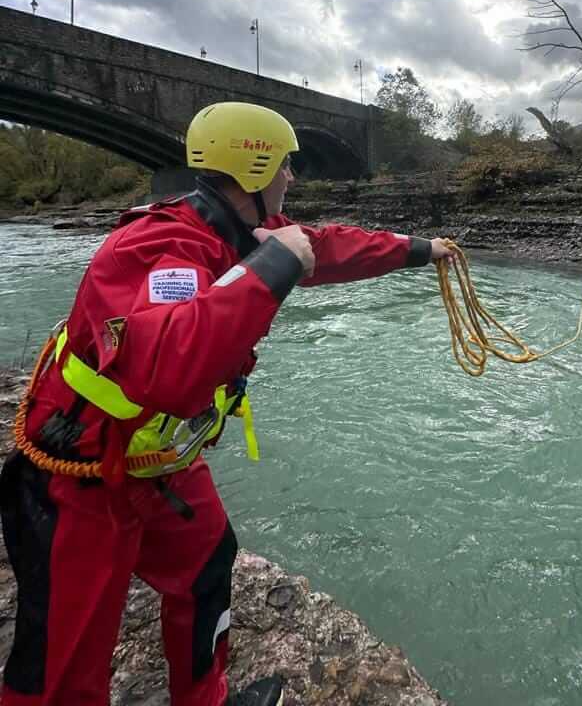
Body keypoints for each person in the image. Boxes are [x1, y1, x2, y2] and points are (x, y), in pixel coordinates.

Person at [0, 101, 456, 706]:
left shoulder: (240, 230)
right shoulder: (158, 246)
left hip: (152, 463)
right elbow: (168, 368)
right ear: (253, 169)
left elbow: (328, 247)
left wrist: (422, 248)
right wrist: (274, 267)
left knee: (207, 563)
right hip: (78, 477)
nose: (291, 176)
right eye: (285, 164)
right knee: (62, 663)